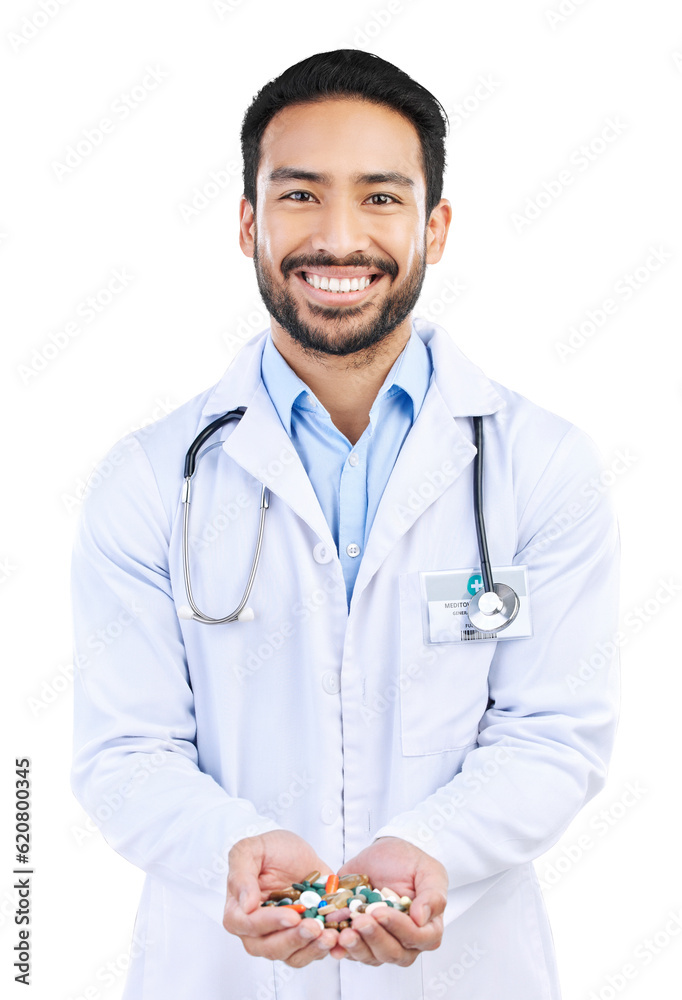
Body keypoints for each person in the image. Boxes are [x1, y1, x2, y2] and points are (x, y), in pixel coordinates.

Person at [70, 48, 620, 1000]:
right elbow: (126, 753)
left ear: (434, 227)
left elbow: (555, 735)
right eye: (298, 196)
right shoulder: (153, 479)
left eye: (379, 197)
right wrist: (234, 851)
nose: (337, 238)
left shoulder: (542, 466)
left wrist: (429, 848)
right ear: (247, 222)